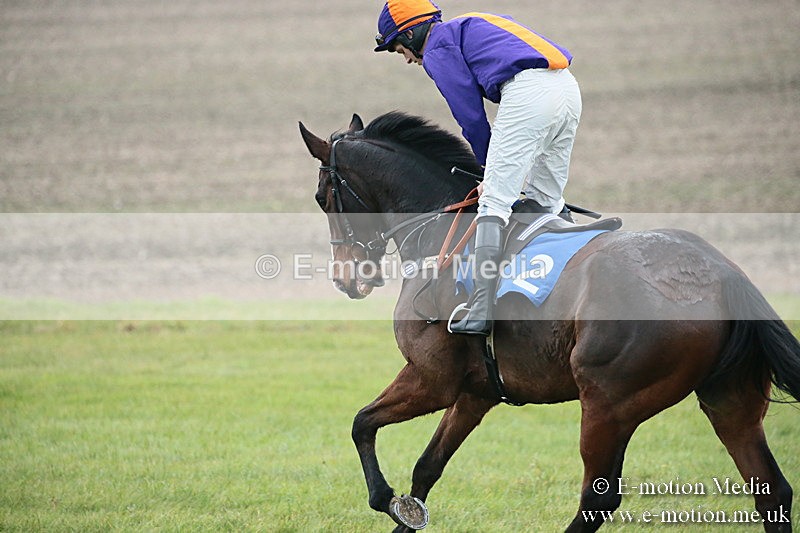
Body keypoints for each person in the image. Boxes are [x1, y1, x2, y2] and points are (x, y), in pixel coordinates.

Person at [374, 0, 582, 336]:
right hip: (567, 89)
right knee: (546, 199)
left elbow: (470, 117)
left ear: (411, 34)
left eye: (401, 50)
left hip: (529, 94)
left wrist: (489, 169)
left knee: (493, 202)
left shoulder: (437, 48)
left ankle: (481, 309)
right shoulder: (469, 22)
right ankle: (571, 283)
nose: (408, 59)